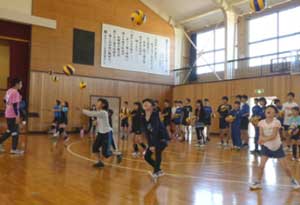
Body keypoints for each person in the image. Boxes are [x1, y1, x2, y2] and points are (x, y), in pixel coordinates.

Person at [250, 105, 300, 190]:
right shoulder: (261, 122)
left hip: (277, 147)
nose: (269, 110)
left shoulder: (276, 122)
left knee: (285, 167)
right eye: (267, 109)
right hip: (266, 147)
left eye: (271, 109)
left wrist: (263, 139)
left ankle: (293, 180)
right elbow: (261, 134)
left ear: (275, 114)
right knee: (261, 166)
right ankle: (258, 182)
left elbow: (273, 136)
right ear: (265, 112)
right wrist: (259, 140)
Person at [82, 98, 121, 168]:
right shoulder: (99, 112)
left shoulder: (103, 112)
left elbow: (91, 113)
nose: (96, 104)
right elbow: (97, 121)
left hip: (106, 134)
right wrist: (96, 122)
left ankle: (117, 154)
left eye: (98, 102)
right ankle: (99, 162)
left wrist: (82, 110)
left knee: (106, 154)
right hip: (100, 134)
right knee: (95, 148)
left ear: (103, 105)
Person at [142, 98, 169, 182]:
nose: (145, 104)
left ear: (152, 106)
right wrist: (150, 144)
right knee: (146, 156)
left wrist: (153, 145)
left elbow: (155, 130)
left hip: (162, 138)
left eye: (147, 103)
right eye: (144, 103)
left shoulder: (155, 115)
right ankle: (158, 170)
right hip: (154, 139)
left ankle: (155, 173)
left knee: (158, 152)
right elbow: (147, 132)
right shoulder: (143, 117)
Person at [0, 78, 24, 155]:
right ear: (17, 84)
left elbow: (5, 100)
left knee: (10, 131)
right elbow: (15, 105)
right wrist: (17, 116)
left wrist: (10, 104)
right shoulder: (15, 92)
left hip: (8, 113)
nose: (21, 85)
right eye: (20, 83)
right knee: (15, 131)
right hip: (13, 114)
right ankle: (14, 149)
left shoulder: (9, 90)